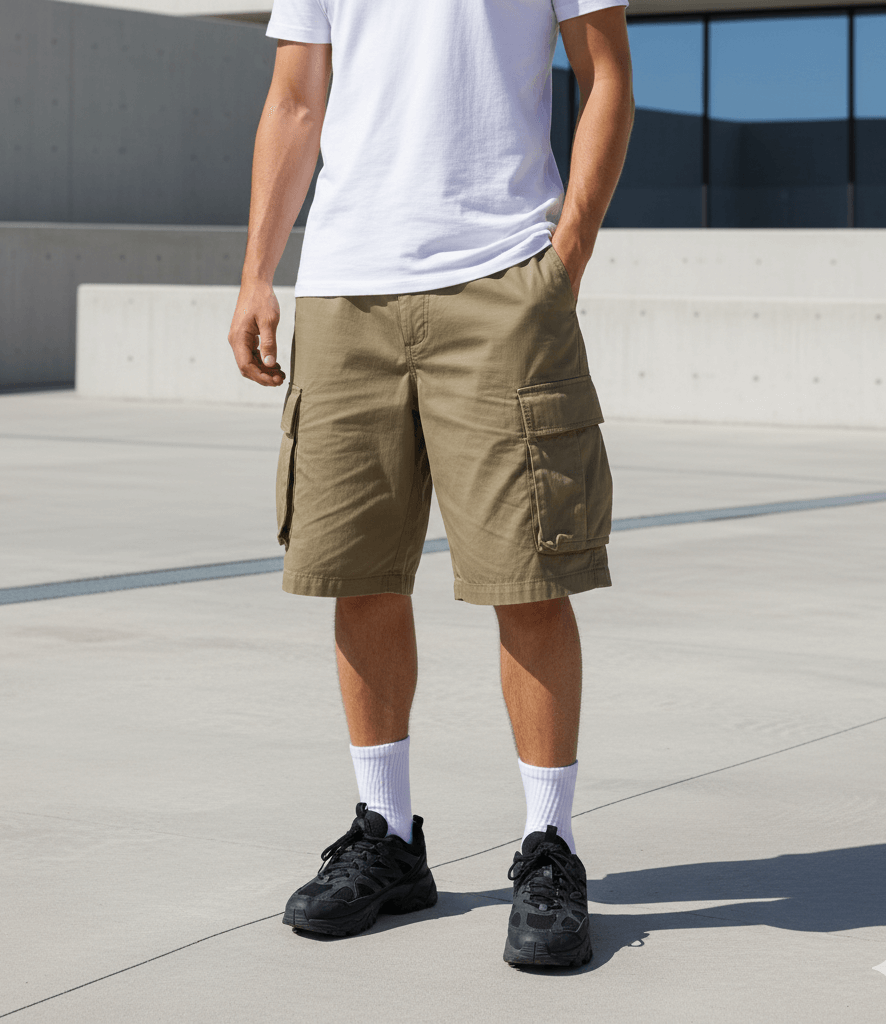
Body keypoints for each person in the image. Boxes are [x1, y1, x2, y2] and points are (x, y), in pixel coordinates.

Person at [228, 0, 633, 969]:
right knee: (356, 571)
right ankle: (387, 835)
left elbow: (606, 73)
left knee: (526, 576)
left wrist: (561, 262)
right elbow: (294, 99)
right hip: (342, 287)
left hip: (501, 276)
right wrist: (255, 273)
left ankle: (549, 845)